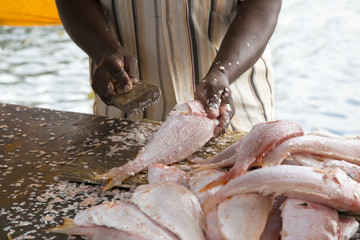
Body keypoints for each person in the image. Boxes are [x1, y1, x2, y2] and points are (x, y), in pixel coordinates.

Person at [55, 0, 282, 136]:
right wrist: (103, 49)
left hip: (231, 106)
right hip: (126, 118)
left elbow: (262, 5)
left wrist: (224, 71)